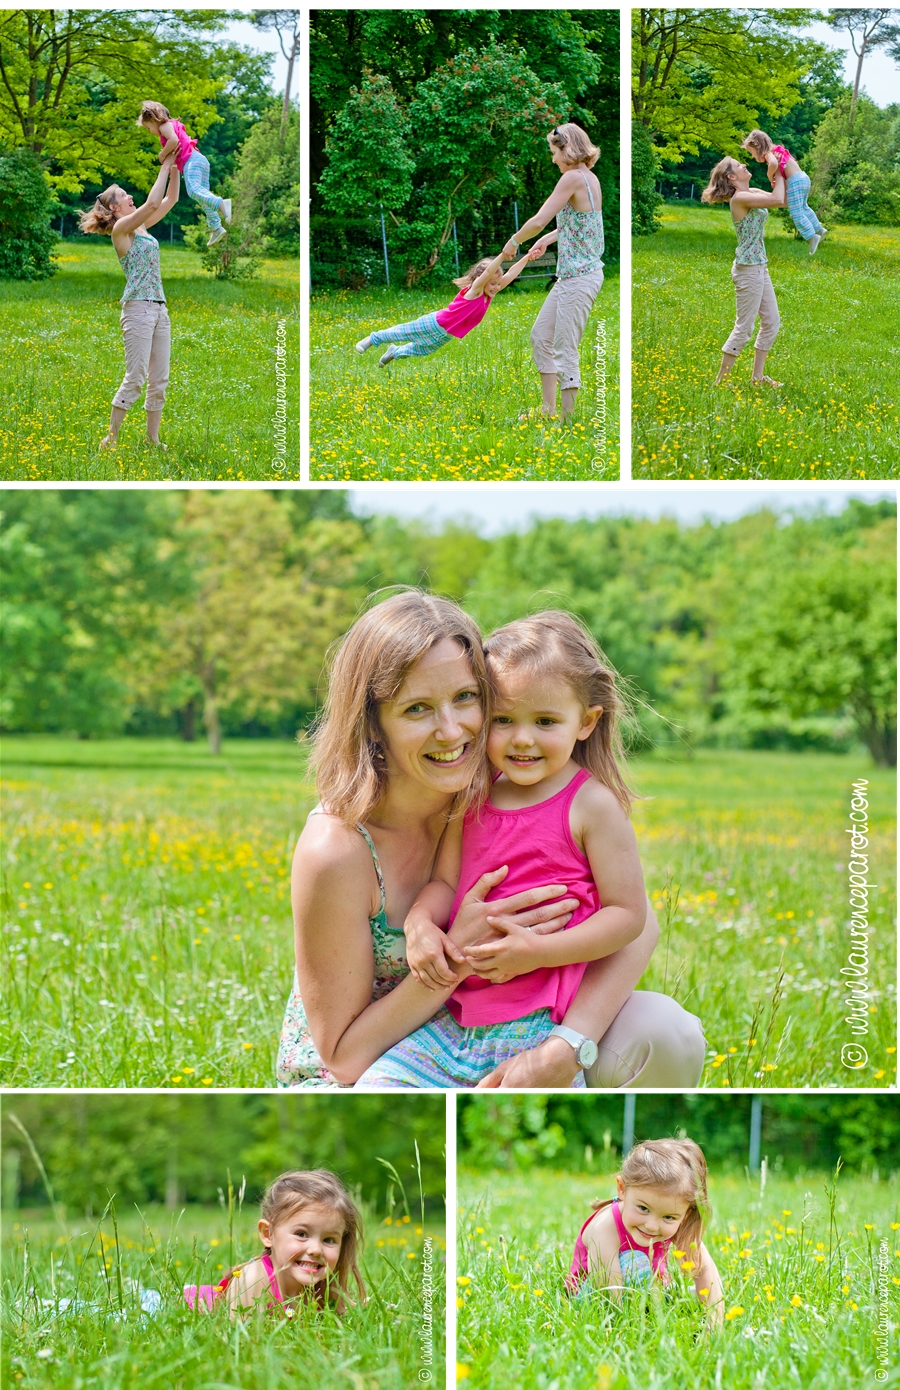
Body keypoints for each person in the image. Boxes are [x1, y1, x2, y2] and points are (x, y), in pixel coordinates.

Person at [275, 590, 706, 1091]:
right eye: (417, 708)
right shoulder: (337, 849)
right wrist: (458, 950)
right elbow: (344, 1059)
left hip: (518, 1011)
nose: (452, 730)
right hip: (376, 1061)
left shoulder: (501, 790)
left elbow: (638, 919)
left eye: (466, 698)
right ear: (372, 723)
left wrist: (568, 1046)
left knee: (662, 1030)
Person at [354, 612, 654, 1089]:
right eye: (503, 720)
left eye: (545, 721)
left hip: (539, 1025)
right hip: (452, 1021)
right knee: (380, 1084)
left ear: (586, 722)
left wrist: (539, 952)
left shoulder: (590, 806)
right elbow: (445, 884)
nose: (522, 738)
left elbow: (627, 915)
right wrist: (420, 924)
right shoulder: (474, 797)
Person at [498, 123, 605, 421]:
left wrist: (514, 241)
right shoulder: (588, 177)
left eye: (554, 152)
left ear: (567, 149)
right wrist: (549, 238)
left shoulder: (572, 178)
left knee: (564, 345)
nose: (553, 159)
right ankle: (547, 409)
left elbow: (538, 219)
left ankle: (567, 421)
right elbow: (581, 225)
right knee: (541, 336)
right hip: (571, 275)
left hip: (580, 276)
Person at [78, 156, 180, 451]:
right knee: (136, 377)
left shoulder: (143, 227)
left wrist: (176, 165)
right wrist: (162, 167)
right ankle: (111, 438)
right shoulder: (122, 230)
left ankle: (152, 439)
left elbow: (170, 198)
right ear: (115, 208)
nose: (130, 197)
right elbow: (150, 204)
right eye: (124, 195)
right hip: (138, 309)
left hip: (160, 309)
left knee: (159, 379)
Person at [567, 1139, 724, 1325]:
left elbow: (706, 1272)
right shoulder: (605, 1227)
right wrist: (630, 1328)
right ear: (622, 1189)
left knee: (698, 1296)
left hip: (645, 1293)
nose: (651, 1225)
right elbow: (608, 1290)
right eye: (643, 1208)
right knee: (637, 1264)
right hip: (593, 1298)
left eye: (668, 1217)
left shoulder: (676, 1223)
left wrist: (713, 1329)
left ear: (685, 1214)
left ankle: (660, 1305)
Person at [183, 1170, 365, 1315]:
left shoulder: (323, 1287)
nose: (316, 1249)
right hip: (185, 1303)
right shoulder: (253, 1282)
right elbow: (241, 1348)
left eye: (329, 1240)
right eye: (301, 1234)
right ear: (268, 1234)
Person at [354, 245, 542, 366]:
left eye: (497, 283)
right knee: (403, 332)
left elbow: (510, 275)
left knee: (419, 350)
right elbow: (488, 274)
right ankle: (373, 339)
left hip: (446, 335)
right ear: (480, 280)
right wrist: (502, 256)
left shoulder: (488, 292)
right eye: (492, 283)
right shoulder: (475, 290)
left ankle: (395, 352)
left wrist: (526, 258)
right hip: (436, 323)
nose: (496, 287)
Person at [700, 156, 787, 389]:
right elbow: (778, 199)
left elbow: (784, 199)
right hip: (748, 271)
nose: (745, 165)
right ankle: (721, 382)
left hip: (760, 267)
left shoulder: (753, 191)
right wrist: (776, 169)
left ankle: (757, 378)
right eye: (740, 165)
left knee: (772, 322)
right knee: (745, 326)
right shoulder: (740, 199)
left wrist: (778, 173)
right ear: (731, 176)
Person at [136, 101, 231, 246]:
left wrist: (162, 154)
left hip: (192, 161)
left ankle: (221, 204)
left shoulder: (164, 126)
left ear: (154, 119)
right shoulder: (171, 125)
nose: (150, 131)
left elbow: (173, 141)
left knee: (193, 191)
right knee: (203, 196)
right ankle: (216, 227)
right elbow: (177, 145)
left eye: (148, 127)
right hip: (199, 160)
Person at [741, 129, 827, 254]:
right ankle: (819, 228)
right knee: (804, 207)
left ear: (758, 146)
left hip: (795, 182)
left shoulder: (769, 153)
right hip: (803, 178)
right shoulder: (777, 150)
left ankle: (811, 237)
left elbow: (773, 164)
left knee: (796, 213)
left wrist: (770, 176)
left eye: (752, 152)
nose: (753, 156)